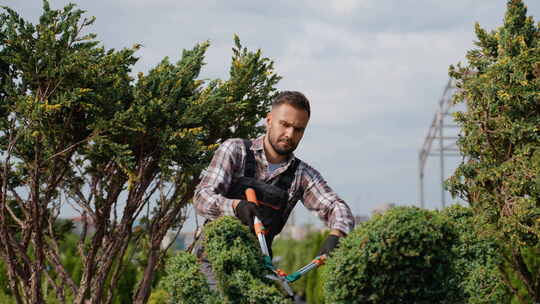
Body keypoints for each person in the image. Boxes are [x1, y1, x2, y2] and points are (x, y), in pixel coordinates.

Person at [193, 90, 354, 288]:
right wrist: (235, 206)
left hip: (256, 267)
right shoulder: (235, 150)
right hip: (210, 262)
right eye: (284, 125)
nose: (290, 134)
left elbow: (336, 206)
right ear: (269, 120)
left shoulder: (302, 175)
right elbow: (202, 197)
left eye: (298, 129)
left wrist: (337, 235)